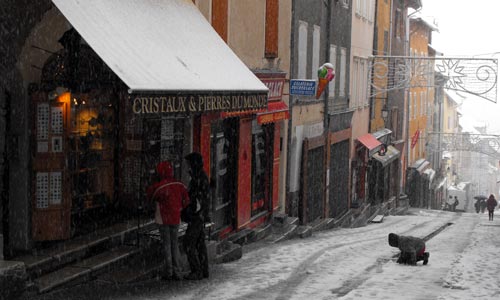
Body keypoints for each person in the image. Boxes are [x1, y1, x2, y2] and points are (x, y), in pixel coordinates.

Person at [146, 161, 190, 281]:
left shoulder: (159, 186)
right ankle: (178, 270)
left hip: (163, 219)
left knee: (167, 244)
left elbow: (150, 196)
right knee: (174, 244)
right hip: (176, 218)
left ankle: (169, 271)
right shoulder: (179, 184)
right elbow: (186, 200)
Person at [182, 152, 210, 280]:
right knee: (199, 243)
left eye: (188, 163)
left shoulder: (199, 178)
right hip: (201, 215)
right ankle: (203, 270)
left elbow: (197, 200)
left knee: (189, 242)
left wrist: (190, 212)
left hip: (197, 217)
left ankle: (197, 270)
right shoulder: (199, 176)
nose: (187, 166)